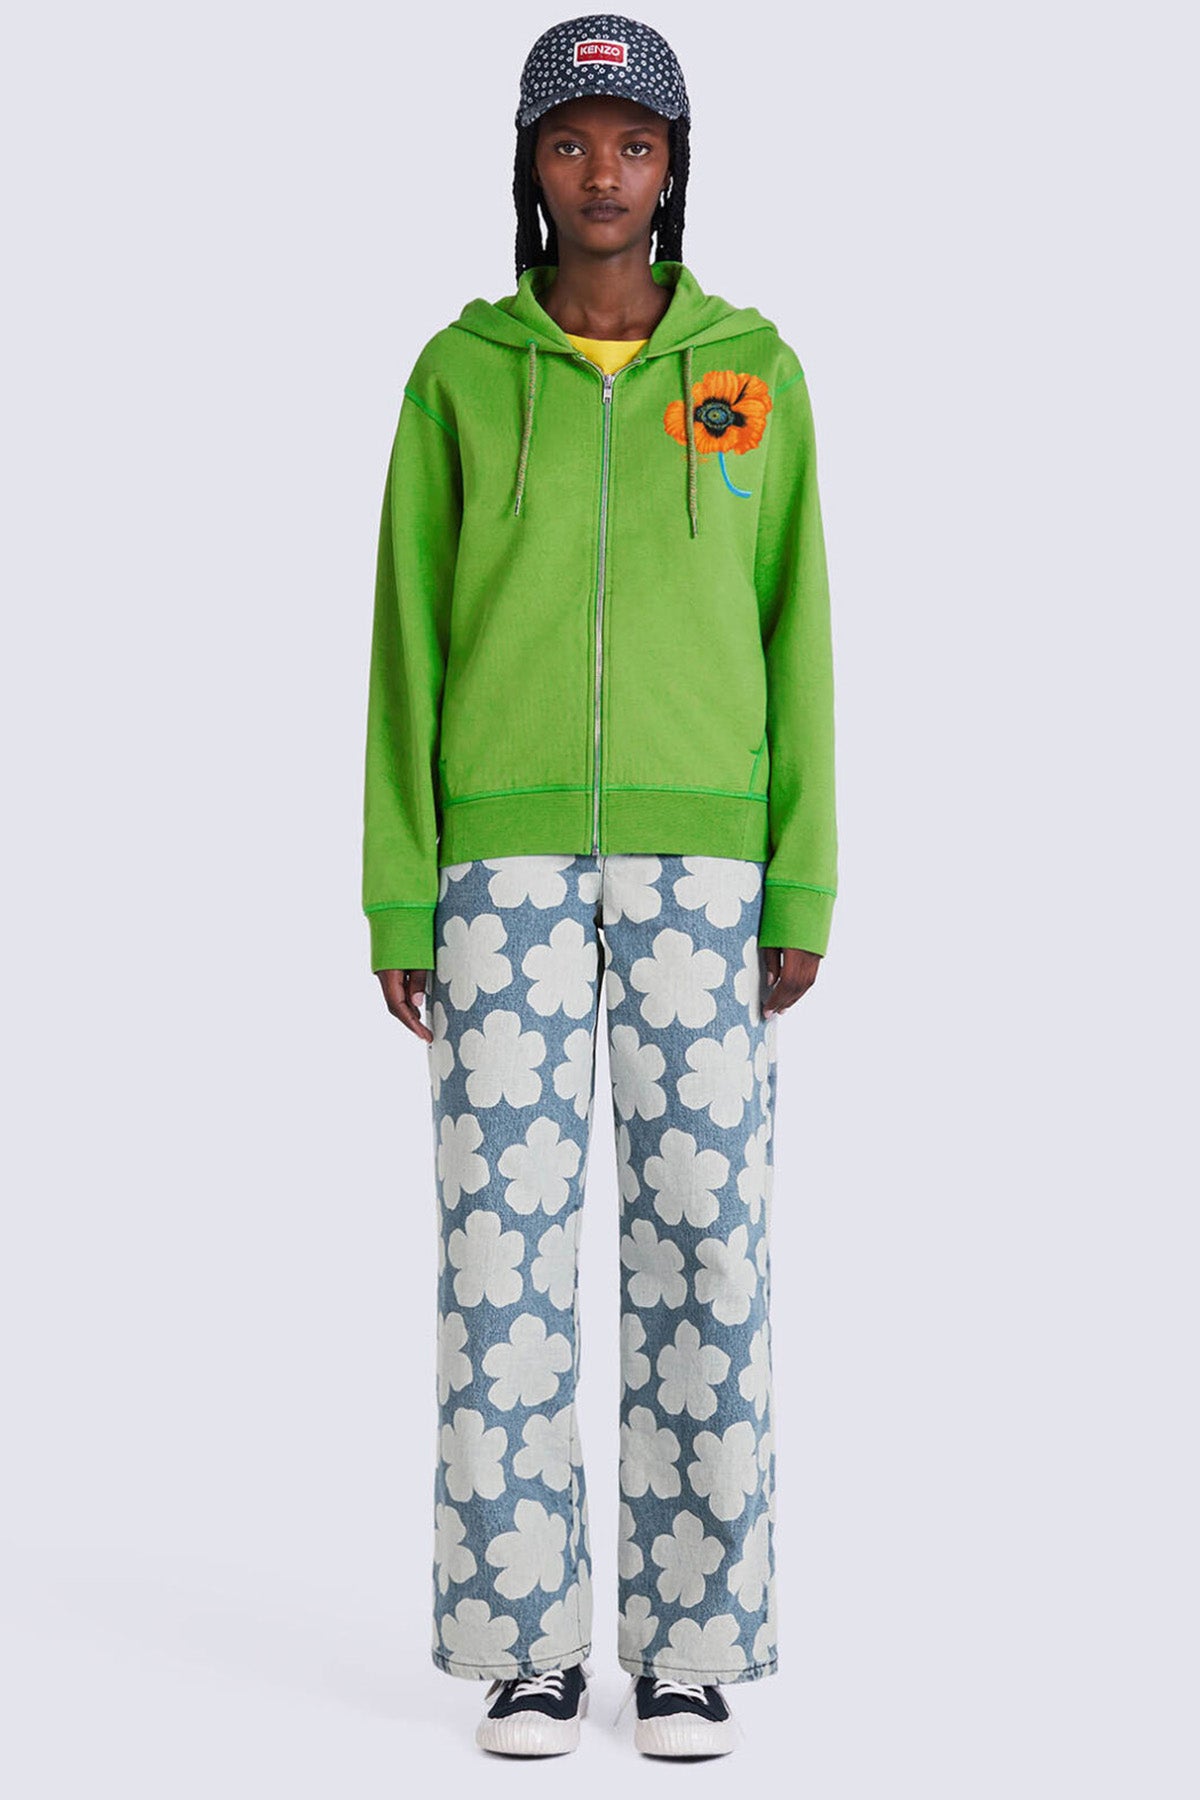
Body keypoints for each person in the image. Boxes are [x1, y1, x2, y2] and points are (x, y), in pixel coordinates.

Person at [361, 12, 838, 1761]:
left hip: (708, 866)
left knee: (705, 1239)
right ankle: (526, 1645)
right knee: (501, 1255)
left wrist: (803, 879)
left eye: (635, 143)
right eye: (572, 141)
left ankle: (691, 1644)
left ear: (674, 164)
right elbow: (406, 642)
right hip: (494, 866)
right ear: (530, 164)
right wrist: (399, 889)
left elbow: (799, 627)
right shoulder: (458, 377)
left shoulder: (751, 373)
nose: (604, 173)